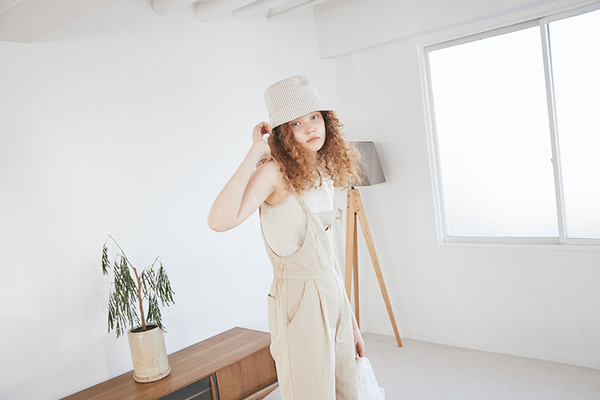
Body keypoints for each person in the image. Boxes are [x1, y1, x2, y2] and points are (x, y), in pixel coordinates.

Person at [208, 75, 364, 400]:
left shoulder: (321, 173)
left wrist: (350, 322)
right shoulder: (274, 173)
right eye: (296, 123)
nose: (309, 128)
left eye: (314, 117)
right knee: (310, 392)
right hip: (298, 299)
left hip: (332, 294)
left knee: (347, 391)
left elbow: (328, 257)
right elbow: (219, 221)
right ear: (282, 132)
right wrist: (255, 151)